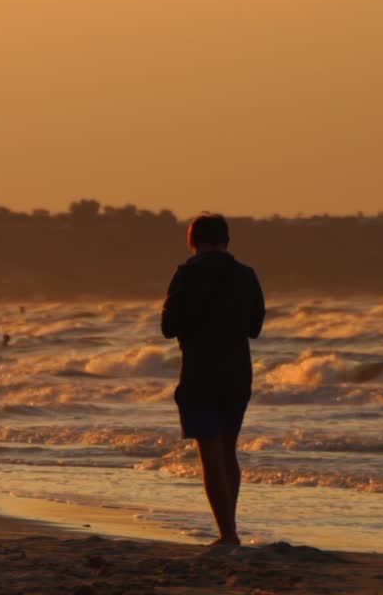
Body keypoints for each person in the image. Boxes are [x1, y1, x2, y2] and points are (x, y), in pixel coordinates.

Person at [161, 212, 265, 547]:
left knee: (211, 454)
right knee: (228, 450)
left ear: (193, 240)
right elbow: (254, 327)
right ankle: (230, 528)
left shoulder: (187, 275)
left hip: (199, 372)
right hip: (237, 372)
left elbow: (168, 327)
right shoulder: (246, 275)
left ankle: (228, 534)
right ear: (227, 240)